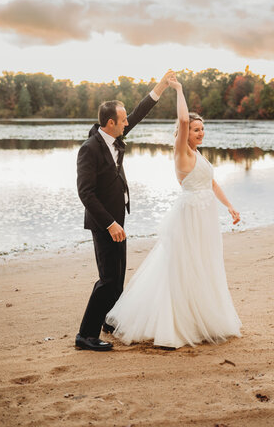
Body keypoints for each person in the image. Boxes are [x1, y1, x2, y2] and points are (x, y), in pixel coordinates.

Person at [105, 75, 242, 348]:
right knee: (184, 267)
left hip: (206, 217)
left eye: (202, 129)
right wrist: (178, 89)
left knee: (204, 266)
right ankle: (178, 324)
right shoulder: (182, 153)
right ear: (184, 134)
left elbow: (211, 182)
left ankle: (202, 317)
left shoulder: (198, 153)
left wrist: (229, 206)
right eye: (195, 130)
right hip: (189, 217)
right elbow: (181, 120)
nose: (200, 133)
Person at [75, 70, 174, 351]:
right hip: (103, 222)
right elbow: (86, 193)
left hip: (118, 220)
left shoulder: (114, 136)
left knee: (117, 280)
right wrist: (109, 224)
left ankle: (108, 319)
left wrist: (161, 86)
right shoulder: (89, 149)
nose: (127, 122)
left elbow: (139, 113)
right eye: (122, 120)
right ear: (110, 123)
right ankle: (85, 335)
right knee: (107, 280)